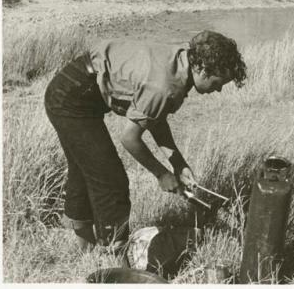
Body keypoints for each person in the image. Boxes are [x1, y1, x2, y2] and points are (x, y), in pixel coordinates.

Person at [44, 30, 247, 253]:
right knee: (110, 180)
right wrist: (161, 174)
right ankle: (113, 254)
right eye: (218, 83)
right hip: (71, 97)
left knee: (87, 170)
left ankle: (88, 251)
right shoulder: (164, 86)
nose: (218, 89)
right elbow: (130, 139)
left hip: (77, 87)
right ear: (202, 68)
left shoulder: (181, 61)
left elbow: (154, 118)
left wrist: (178, 164)